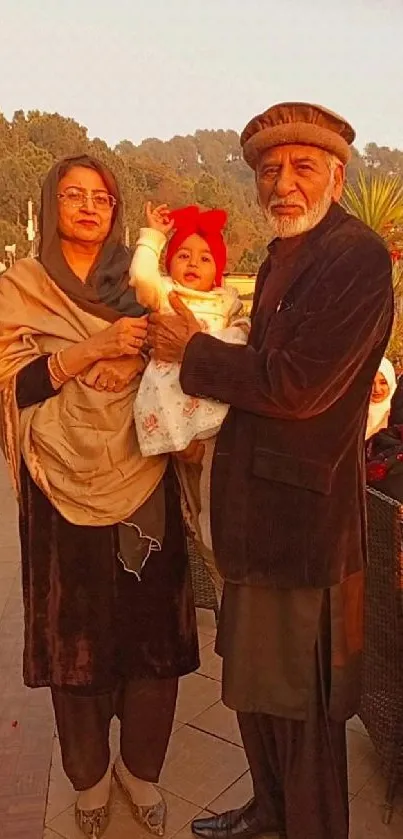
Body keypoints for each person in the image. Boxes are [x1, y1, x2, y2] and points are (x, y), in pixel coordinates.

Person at [147, 102, 394, 839]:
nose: (281, 182)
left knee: (302, 705)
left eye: (300, 167)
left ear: (336, 175)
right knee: (253, 688)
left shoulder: (353, 255)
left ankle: (308, 823)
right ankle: (268, 810)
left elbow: (295, 384)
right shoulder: (287, 252)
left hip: (304, 532)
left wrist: (190, 349)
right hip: (253, 521)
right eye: (266, 169)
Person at [0, 155, 199, 838]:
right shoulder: (22, 287)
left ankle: (139, 771)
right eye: (73, 195)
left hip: (143, 471)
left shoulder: (140, 285)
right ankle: (87, 777)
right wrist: (86, 354)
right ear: (51, 205)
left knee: (153, 637)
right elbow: (7, 386)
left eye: (102, 198)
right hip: (59, 482)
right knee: (74, 641)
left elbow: (185, 349)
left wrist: (136, 355)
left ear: (117, 211)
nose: (89, 207)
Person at [130, 202, 248, 593]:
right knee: (194, 508)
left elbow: (245, 333)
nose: (193, 263)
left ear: (219, 269)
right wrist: (153, 237)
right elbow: (142, 277)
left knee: (215, 505)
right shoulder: (166, 293)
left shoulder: (226, 301)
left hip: (213, 420)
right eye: (183, 254)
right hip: (172, 414)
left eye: (205, 257)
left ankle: (222, 572)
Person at [365, 356, 396, 440]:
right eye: (372, 383)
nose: (377, 389)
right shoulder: (354, 412)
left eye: (383, 383)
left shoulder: (396, 413)